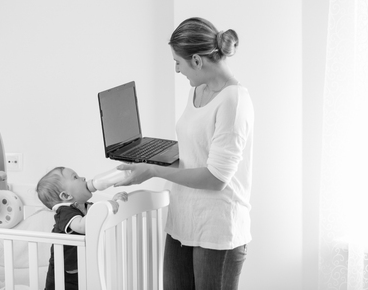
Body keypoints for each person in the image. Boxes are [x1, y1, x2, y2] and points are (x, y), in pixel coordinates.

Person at [116, 17, 254, 290]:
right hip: (183, 221)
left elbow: (216, 178)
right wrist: (150, 156)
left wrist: (153, 171)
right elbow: (197, 149)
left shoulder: (233, 102)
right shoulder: (200, 89)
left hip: (217, 231)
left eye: (178, 62)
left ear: (197, 60)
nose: (177, 70)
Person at [36, 166, 128, 290]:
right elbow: (82, 226)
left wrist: (113, 201)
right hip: (63, 275)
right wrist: (106, 205)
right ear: (66, 196)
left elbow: (99, 215)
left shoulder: (83, 206)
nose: (83, 178)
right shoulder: (64, 212)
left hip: (81, 268)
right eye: (75, 177)